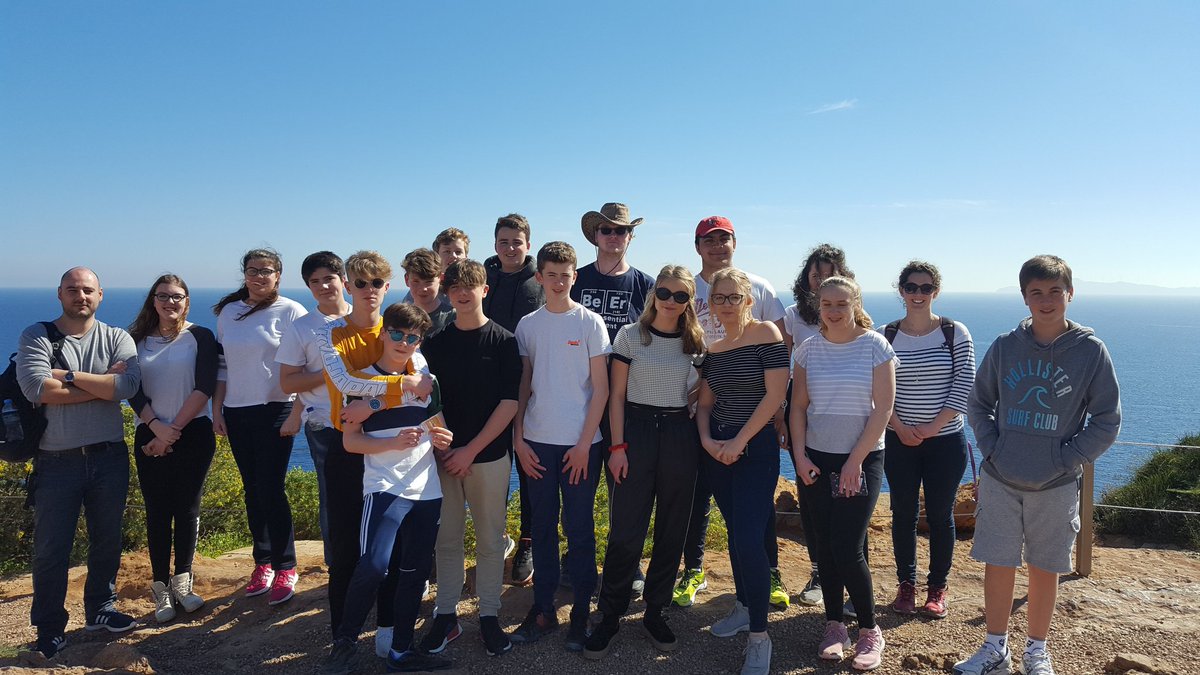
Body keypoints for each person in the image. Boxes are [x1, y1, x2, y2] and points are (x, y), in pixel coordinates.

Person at [956, 255, 1120, 675]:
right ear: (1024, 297)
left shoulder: (1089, 352)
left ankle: (1036, 652)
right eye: (1036, 293)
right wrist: (992, 448)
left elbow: (1106, 419)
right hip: (1000, 478)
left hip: (1056, 484)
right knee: (998, 563)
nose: (1046, 301)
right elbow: (979, 403)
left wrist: (1067, 458)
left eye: (1054, 291)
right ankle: (995, 650)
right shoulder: (1006, 346)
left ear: (1070, 293)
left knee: (1046, 568)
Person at [320, 303, 455, 674]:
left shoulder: (425, 377)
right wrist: (392, 443)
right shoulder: (360, 381)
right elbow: (351, 442)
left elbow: (436, 423)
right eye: (397, 333)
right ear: (383, 333)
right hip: (384, 487)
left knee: (414, 572)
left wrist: (444, 438)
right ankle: (344, 644)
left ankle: (401, 651)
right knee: (374, 566)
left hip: (427, 490)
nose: (403, 342)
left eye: (412, 337)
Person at [16, 267, 142, 660]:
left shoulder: (117, 337)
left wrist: (69, 377)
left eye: (88, 290)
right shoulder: (36, 335)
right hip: (56, 460)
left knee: (107, 539)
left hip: (109, 457)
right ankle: (50, 628)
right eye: (72, 289)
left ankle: (100, 610)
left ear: (100, 295)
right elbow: (38, 389)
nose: (80, 296)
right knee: (51, 548)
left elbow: (126, 387)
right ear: (59, 294)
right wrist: (100, 384)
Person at [314, 250, 434, 656]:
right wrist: (396, 393)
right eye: (360, 283)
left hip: (390, 445)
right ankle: (341, 640)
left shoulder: (400, 328)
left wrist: (380, 403)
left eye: (376, 283)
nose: (368, 290)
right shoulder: (330, 333)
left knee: (395, 552)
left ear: (387, 287)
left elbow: (425, 387)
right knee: (348, 552)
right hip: (343, 443)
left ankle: (386, 633)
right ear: (348, 286)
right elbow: (346, 380)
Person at [584, 265, 706, 660]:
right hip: (634, 431)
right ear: (654, 294)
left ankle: (655, 610)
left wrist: (696, 405)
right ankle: (611, 612)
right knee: (625, 529)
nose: (671, 302)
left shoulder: (695, 340)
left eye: (680, 296)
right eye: (664, 293)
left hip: (678, 435)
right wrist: (617, 448)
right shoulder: (631, 336)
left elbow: (706, 386)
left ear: (689, 300)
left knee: (673, 527)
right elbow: (615, 396)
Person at [677, 216, 788, 611]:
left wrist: (778, 414)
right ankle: (697, 573)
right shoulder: (687, 289)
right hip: (701, 408)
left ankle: (766, 579)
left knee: (751, 516)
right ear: (697, 245)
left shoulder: (760, 289)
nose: (717, 246)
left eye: (724, 239)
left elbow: (777, 356)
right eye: (709, 240)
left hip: (751, 421)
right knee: (702, 500)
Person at [790, 275, 895, 671]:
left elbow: (883, 409)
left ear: (856, 303)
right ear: (819, 305)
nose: (834, 311)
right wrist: (800, 458)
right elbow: (798, 407)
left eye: (841, 303)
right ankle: (835, 626)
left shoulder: (875, 346)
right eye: (827, 303)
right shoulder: (807, 350)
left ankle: (870, 630)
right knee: (825, 548)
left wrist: (854, 461)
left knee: (848, 548)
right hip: (816, 458)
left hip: (862, 459)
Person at [509, 241, 610, 652]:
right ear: (540, 277)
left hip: (581, 445)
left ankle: (582, 612)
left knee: (580, 530)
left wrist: (586, 443)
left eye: (565, 274)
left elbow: (601, 390)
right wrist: (518, 438)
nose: (558, 281)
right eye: (550, 274)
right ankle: (543, 609)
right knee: (543, 530)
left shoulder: (590, 323)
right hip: (536, 441)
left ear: (575, 276)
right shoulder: (527, 326)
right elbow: (522, 386)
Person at [419, 259, 522, 659]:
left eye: (471, 285)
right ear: (447, 293)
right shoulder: (435, 343)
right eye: (455, 286)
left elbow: (510, 403)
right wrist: (446, 448)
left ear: (485, 290)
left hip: (488, 456)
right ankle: (446, 615)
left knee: (491, 538)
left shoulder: (504, 341)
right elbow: (427, 399)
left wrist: (470, 450)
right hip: (442, 458)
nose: (463, 292)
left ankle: (490, 615)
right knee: (446, 539)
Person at [695, 267, 789, 675]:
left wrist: (739, 442)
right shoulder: (713, 347)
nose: (728, 304)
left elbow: (775, 396)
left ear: (748, 300)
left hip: (756, 449)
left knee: (750, 539)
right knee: (736, 533)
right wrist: (707, 441)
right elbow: (703, 404)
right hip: (717, 449)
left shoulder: (766, 333)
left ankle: (759, 637)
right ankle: (743, 605)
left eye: (735, 297)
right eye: (720, 298)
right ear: (710, 303)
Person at [880, 261, 976, 618]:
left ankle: (938, 587)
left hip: (945, 441)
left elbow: (965, 383)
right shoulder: (885, 335)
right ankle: (906, 585)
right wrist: (900, 426)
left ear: (935, 291)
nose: (918, 294)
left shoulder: (954, 332)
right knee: (902, 514)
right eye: (911, 287)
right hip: (897, 439)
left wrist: (933, 426)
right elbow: (876, 391)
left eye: (925, 287)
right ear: (901, 290)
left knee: (940, 514)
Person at [212, 249, 307, 605]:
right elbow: (223, 366)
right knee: (252, 489)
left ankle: (286, 565)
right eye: (253, 271)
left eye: (267, 271)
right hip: (237, 411)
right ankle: (262, 562)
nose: (259, 277)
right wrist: (217, 409)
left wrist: (298, 410)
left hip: (276, 408)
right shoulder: (229, 312)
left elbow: (304, 366)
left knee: (270, 487)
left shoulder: (291, 311)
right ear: (244, 274)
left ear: (278, 275)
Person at [570, 201, 655, 595]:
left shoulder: (646, 285)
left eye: (621, 231)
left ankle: (627, 563)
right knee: (579, 485)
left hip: (627, 400)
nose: (614, 237)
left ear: (630, 237)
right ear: (596, 236)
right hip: (578, 399)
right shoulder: (576, 280)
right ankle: (578, 558)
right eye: (607, 230)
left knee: (626, 487)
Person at [128, 274, 218, 623]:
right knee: (157, 510)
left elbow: (205, 386)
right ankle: (160, 588)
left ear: (187, 302)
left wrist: (171, 431)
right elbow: (131, 389)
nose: (170, 302)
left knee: (187, 508)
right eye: (163, 296)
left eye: (177, 296)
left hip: (192, 432)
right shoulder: (134, 340)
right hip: (148, 433)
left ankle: (183, 581)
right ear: (153, 301)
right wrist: (156, 428)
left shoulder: (200, 336)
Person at [783, 243, 855, 607]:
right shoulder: (793, 314)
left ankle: (857, 579)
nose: (822, 281)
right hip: (805, 414)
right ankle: (819, 573)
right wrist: (784, 420)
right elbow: (783, 370)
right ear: (807, 280)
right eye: (816, 275)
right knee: (811, 503)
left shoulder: (855, 315)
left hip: (847, 421)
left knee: (853, 506)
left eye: (829, 274)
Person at [481, 213, 545, 585]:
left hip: (532, 391)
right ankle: (496, 539)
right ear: (495, 245)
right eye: (503, 242)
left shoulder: (537, 282)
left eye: (516, 242)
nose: (510, 248)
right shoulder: (483, 279)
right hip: (490, 392)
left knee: (529, 471)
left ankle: (529, 542)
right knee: (493, 472)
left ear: (527, 244)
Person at [277, 251, 352, 570]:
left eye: (329, 278)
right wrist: (332, 372)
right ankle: (338, 568)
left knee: (368, 497)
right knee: (333, 501)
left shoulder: (365, 317)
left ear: (344, 281)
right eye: (315, 281)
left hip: (368, 423)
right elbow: (287, 382)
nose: (323, 286)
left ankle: (369, 566)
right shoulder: (302, 328)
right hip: (324, 424)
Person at [401, 248, 455, 336]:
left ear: (441, 279)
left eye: (429, 282)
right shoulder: (399, 319)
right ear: (407, 280)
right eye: (416, 281)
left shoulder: (455, 319)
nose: (423, 289)